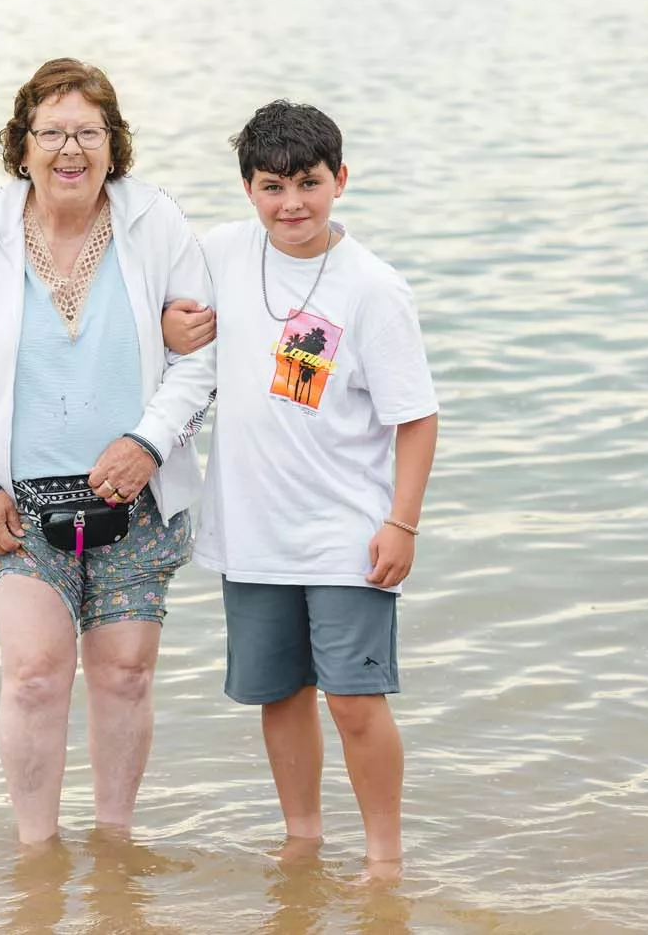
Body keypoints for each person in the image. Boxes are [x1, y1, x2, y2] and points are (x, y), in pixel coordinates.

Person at [0, 58, 215, 846]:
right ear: (22, 146)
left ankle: (114, 846)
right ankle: (37, 855)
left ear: (115, 146)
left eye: (89, 132)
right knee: (36, 673)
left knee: (124, 674)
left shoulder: (156, 223)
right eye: (52, 133)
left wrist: (149, 443)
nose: (70, 149)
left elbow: (202, 354)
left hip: (136, 497)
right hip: (14, 504)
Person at [163, 100, 439, 866]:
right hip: (251, 529)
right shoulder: (220, 252)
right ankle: (303, 839)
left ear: (341, 180)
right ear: (248, 189)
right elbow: (166, 317)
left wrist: (402, 523)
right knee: (279, 694)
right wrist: (168, 329)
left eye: (309, 184)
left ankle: (385, 858)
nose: (292, 205)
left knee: (353, 700)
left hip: (347, 531)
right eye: (272, 187)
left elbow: (416, 418)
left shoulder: (373, 288)